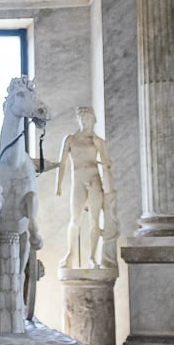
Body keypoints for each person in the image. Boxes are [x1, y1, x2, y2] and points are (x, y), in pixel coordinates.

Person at [56, 107, 119, 269]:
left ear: (93, 120)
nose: (85, 123)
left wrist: (100, 147)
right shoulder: (70, 139)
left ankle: (92, 258)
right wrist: (59, 185)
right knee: (75, 220)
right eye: (82, 120)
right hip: (78, 181)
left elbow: (107, 163)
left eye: (88, 119)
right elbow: (62, 164)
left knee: (94, 221)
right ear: (78, 120)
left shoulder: (98, 141)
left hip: (94, 181)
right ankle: (70, 254)